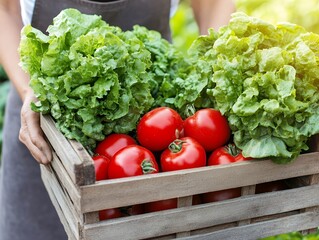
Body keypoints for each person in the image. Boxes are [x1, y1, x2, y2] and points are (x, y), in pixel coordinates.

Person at [0, 0, 235, 239]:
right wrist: (30, 90)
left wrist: (213, 70)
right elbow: (4, 9)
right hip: (42, 121)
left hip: (155, 113)